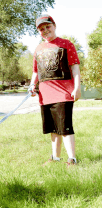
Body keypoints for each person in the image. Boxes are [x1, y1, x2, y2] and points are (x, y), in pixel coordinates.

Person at [29, 14, 81, 166]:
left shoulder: (66, 44)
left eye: (47, 27)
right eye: (41, 29)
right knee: (53, 129)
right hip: (45, 96)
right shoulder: (38, 49)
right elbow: (35, 72)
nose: (45, 30)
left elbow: (75, 68)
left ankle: (72, 159)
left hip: (63, 94)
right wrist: (32, 85)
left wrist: (77, 87)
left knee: (64, 128)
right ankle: (55, 158)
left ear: (54, 26)